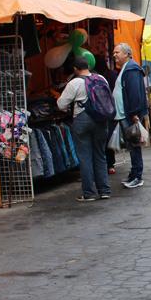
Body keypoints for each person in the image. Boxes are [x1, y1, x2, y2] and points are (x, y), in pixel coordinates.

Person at [57, 56, 111, 201]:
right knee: (100, 155)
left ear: (75, 69)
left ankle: (89, 193)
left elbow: (61, 105)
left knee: (85, 157)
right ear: (88, 66)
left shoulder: (74, 82)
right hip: (101, 120)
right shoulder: (101, 78)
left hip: (82, 120)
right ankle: (104, 190)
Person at [113, 42, 148, 189]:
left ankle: (137, 176)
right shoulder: (126, 68)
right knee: (131, 145)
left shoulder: (131, 69)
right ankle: (134, 174)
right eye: (114, 52)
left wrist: (134, 113)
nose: (114, 55)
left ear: (127, 54)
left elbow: (134, 93)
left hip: (129, 114)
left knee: (134, 145)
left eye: (117, 52)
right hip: (124, 114)